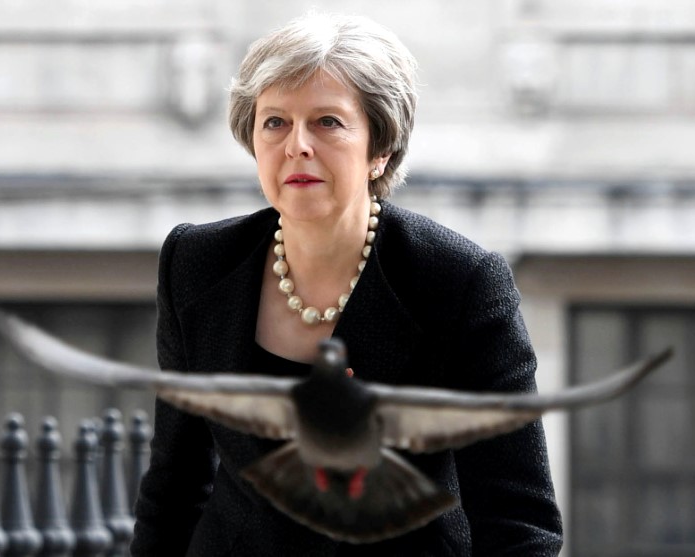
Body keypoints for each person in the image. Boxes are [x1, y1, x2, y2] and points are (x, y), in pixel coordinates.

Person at [131, 12, 563, 556]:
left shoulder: (459, 283)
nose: (297, 146)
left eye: (328, 122)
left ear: (379, 147)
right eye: (275, 122)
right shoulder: (195, 263)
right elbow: (174, 488)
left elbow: (518, 522)